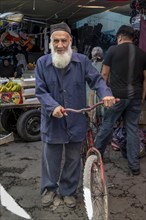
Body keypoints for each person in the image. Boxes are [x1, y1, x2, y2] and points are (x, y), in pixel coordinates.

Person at [35, 22, 115, 208]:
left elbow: (97, 80)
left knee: (73, 159)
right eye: (56, 41)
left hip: (75, 119)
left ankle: (68, 191)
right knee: (51, 159)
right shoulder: (42, 63)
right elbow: (40, 91)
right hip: (52, 119)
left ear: (70, 40)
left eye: (64, 40)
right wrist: (52, 106)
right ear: (50, 42)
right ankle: (50, 189)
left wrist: (106, 94)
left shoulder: (82, 61)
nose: (60, 45)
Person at [95, 25, 146, 176]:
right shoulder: (142, 54)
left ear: (120, 37)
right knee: (132, 129)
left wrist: (102, 94)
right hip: (135, 96)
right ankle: (134, 166)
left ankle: (95, 157)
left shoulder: (112, 50)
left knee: (107, 126)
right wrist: (143, 95)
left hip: (115, 97)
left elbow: (104, 74)